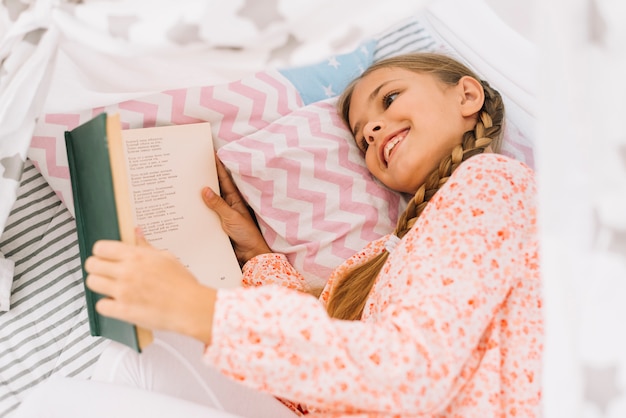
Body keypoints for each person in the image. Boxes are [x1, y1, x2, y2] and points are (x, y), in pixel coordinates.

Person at [14, 53, 542, 417]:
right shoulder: (393, 245)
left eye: (389, 99)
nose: (374, 130)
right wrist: (256, 253)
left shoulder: (492, 182)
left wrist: (202, 309)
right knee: (135, 355)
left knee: (51, 404)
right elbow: (332, 356)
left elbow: (409, 370)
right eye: (362, 137)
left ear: (467, 94)